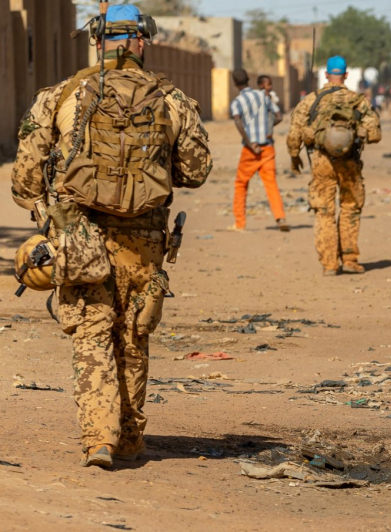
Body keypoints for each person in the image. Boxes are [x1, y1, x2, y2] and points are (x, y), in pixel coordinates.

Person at [10, 4, 212, 468]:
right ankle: (130, 440)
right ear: (142, 41)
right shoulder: (172, 98)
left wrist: (48, 212)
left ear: (97, 41)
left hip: (78, 235)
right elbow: (197, 171)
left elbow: (24, 178)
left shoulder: (61, 95)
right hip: (144, 240)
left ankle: (99, 438)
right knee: (134, 335)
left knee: (91, 334)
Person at [287, 56, 381, 276]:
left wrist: (294, 155)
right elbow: (375, 135)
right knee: (351, 208)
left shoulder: (312, 100)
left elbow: (294, 133)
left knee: (324, 212)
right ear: (346, 75)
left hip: (322, 162)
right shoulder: (358, 101)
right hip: (350, 163)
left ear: (327, 75)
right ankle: (350, 259)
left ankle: (329, 264)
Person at [230, 69, 289, 232]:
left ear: (235, 84)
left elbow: (237, 122)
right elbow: (278, 116)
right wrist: (268, 128)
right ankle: (280, 217)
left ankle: (240, 223)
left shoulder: (237, 102)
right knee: (271, 183)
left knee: (241, 184)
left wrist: (249, 143)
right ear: (249, 80)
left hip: (251, 150)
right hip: (268, 147)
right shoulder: (263, 95)